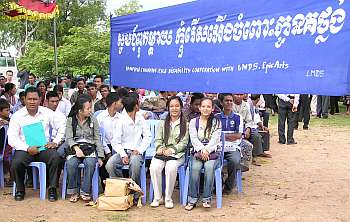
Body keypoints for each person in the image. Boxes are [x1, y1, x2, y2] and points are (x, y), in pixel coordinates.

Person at [9, 87, 65, 201]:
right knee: (16, 163)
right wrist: (27, 148)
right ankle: (20, 189)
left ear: (40, 99)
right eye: (29, 99)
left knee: (56, 158)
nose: (32, 102)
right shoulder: (17, 116)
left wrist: (56, 141)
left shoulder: (47, 112)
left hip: (43, 148)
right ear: (24, 99)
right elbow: (12, 138)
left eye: (35, 99)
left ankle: (52, 189)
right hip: (25, 149)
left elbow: (62, 126)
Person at [106, 93, 152, 202]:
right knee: (110, 164)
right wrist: (123, 155)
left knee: (135, 163)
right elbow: (115, 142)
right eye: (138, 102)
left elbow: (148, 136)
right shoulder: (121, 121)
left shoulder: (140, 118)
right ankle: (121, 188)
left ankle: (134, 193)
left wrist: (139, 150)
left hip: (137, 152)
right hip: (123, 151)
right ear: (136, 106)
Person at [150, 96, 189, 209]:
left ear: (181, 107)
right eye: (171, 106)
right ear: (168, 108)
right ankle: (158, 198)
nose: (174, 108)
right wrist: (161, 148)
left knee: (171, 168)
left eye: (177, 106)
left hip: (177, 154)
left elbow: (184, 143)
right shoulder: (162, 123)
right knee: (154, 167)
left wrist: (171, 150)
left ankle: (168, 198)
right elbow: (157, 140)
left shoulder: (186, 124)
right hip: (162, 153)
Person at [65, 94, 104, 203]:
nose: (90, 110)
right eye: (88, 108)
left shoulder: (93, 119)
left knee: (90, 163)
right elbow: (69, 137)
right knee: (71, 164)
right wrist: (76, 148)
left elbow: (97, 138)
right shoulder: (70, 120)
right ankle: (73, 191)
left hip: (90, 148)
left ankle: (85, 191)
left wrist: (100, 156)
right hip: (75, 147)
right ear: (80, 110)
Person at [185, 98, 222, 210]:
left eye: (208, 107)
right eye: (203, 106)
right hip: (197, 152)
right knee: (195, 168)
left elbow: (215, 139)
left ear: (212, 109)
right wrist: (202, 150)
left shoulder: (217, 122)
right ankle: (192, 199)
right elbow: (194, 139)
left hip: (212, 153)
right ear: (200, 108)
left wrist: (207, 150)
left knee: (209, 167)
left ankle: (207, 199)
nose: (206, 109)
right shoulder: (193, 122)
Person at [216, 94, 242, 195]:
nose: (229, 103)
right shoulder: (216, 117)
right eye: (227, 101)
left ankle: (228, 186)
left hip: (233, 147)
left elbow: (239, 135)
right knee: (214, 161)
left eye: (231, 101)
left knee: (235, 161)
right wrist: (230, 135)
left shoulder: (238, 117)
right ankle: (218, 184)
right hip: (218, 147)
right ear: (222, 102)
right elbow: (214, 135)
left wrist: (222, 135)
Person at [96, 92, 124, 189]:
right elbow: (99, 137)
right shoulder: (100, 118)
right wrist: (108, 151)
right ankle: (105, 187)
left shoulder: (121, 118)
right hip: (104, 145)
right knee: (103, 158)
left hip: (118, 146)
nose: (122, 104)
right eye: (120, 102)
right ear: (114, 103)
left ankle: (119, 186)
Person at [0, 98, 12, 186]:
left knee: (7, 157)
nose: (9, 112)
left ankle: (7, 175)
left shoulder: (10, 120)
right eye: (7, 110)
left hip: (7, 146)